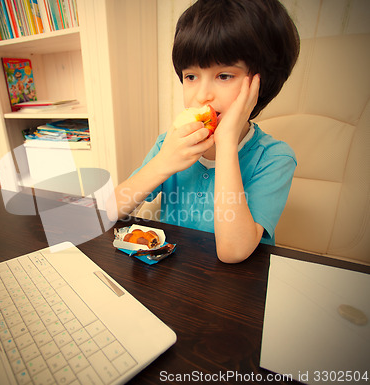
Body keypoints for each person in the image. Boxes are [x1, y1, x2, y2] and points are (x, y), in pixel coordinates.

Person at [113, 0, 300, 263]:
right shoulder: (171, 143)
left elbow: (232, 252)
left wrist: (225, 144)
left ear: (260, 83)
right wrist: (163, 163)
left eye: (224, 75)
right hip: (171, 277)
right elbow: (108, 210)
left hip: (236, 290)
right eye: (191, 77)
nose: (202, 95)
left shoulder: (274, 158)